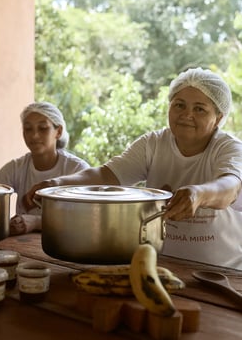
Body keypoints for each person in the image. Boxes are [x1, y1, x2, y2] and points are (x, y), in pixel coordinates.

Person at [24, 68, 242, 270]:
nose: (187, 114)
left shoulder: (228, 148)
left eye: (200, 109)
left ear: (218, 118)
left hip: (221, 274)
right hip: (160, 266)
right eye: (179, 105)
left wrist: (198, 195)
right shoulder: (154, 144)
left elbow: (229, 186)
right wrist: (57, 184)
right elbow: (107, 175)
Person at [0, 101, 90, 235]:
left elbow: (87, 220)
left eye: (43, 128)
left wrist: (37, 222)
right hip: (23, 245)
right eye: (28, 129)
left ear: (58, 131)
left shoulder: (77, 169)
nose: (34, 135)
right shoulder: (15, 168)